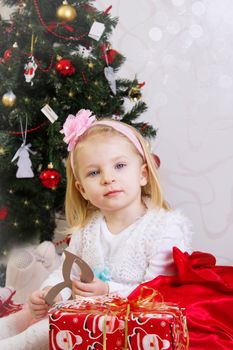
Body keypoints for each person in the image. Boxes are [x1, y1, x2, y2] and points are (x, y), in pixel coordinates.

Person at [0, 109, 193, 349]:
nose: (108, 178)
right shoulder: (88, 228)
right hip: (83, 313)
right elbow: (65, 272)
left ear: (142, 175)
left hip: (130, 324)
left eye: (120, 165)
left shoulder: (163, 228)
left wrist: (107, 291)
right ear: (82, 190)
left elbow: (161, 292)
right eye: (94, 172)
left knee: (50, 328)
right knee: (27, 315)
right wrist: (51, 292)